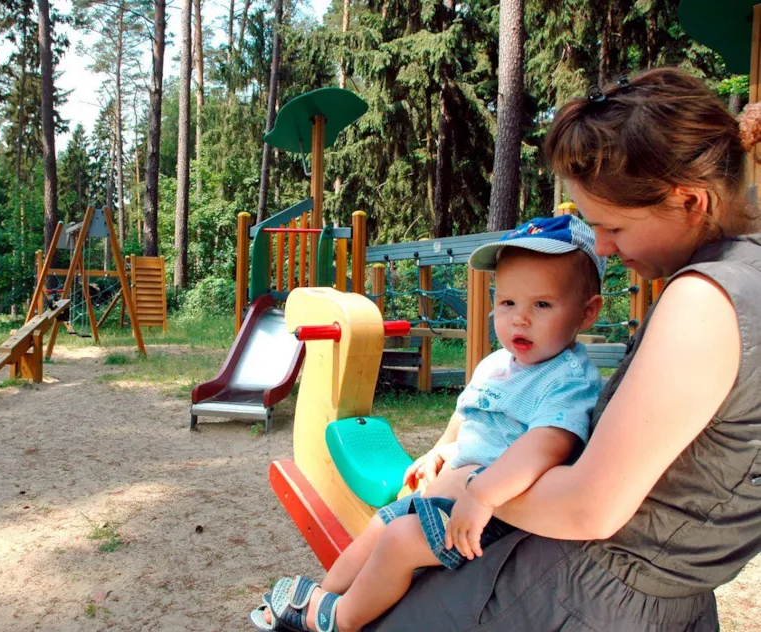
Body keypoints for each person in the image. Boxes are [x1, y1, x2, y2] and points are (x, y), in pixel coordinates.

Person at [357, 68, 761, 631]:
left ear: (689, 201)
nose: (602, 246)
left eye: (613, 226)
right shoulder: (748, 275)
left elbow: (590, 505)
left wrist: (468, 480)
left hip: (580, 595)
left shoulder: (704, 301)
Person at [251, 213, 609, 632]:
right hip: (453, 495)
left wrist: (484, 493)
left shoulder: (568, 378)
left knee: (400, 541)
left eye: (542, 304)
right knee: (380, 525)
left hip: (492, 517)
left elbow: (549, 444)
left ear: (587, 313)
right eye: (507, 302)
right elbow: (466, 419)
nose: (520, 318)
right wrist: (441, 450)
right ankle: (323, 597)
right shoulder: (497, 364)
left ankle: (341, 619)